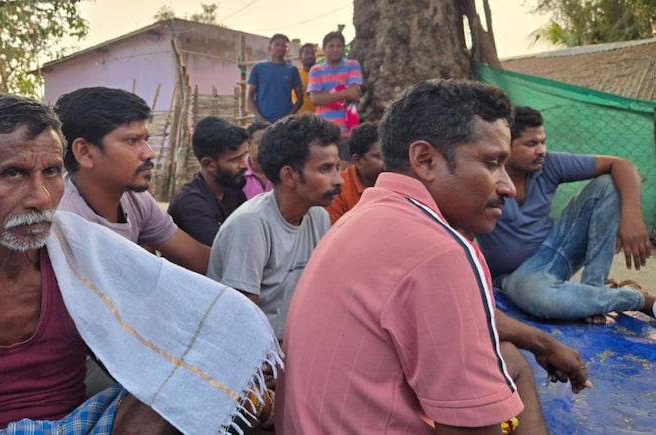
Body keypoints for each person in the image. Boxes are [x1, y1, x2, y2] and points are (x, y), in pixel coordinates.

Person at [0, 94, 280, 434]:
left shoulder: (89, 252)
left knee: (178, 392)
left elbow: (200, 316)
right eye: (14, 174)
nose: (41, 197)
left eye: (51, 172)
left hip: (83, 424)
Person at [278, 80, 590, 434]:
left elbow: (465, 317)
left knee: (508, 356)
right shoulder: (441, 252)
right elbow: (473, 430)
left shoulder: (364, 215)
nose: (507, 186)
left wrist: (542, 342)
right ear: (425, 160)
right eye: (492, 163)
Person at [476, 106, 655, 323]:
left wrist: (631, 217)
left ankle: (594, 287)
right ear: (505, 145)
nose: (541, 150)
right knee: (540, 298)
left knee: (608, 184)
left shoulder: (549, 164)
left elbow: (622, 165)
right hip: (517, 277)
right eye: (531, 144)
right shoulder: (485, 177)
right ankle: (637, 300)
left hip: (556, 252)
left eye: (543, 142)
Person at [208, 113, 342, 340]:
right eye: (325, 169)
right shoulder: (251, 224)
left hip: (293, 343)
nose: (339, 180)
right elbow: (243, 319)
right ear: (289, 175)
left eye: (337, 167)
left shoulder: (318, 216)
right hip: (258, 348)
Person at [54, 87, 210, 275]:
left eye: (146, 139)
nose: (150, 153)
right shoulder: (64, 224)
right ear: (85, 152)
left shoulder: (136, 199)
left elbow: (200, 260)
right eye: (132, 141)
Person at [167, 116, 249, 246]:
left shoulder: (231, 186)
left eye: (244, 156)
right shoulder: (190, 202)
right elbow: (221, 252)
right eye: (235, 159)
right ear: (208, 164)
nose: (244, 165)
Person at [307, 31, 363, 165]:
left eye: (339, 46)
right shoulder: (316, 70)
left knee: (346, 169)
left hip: (347, 131)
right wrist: (343, 93)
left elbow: (354, 93)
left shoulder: (352, 65)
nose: (335, 49)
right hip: (323, 131)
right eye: (331, 46)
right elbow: (315, 99)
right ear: (324, 49)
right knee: (324, 168)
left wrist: (326, 95)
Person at [326, 121, 384, 223]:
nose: (388, 161)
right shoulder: (337, 192)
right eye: (380, 156)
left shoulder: (398, 180)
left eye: (388, 155)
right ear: (358, 161)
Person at [247, 33, 303, 123]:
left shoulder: (292, 70)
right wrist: (260, 118)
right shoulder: (258, 68)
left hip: (284, 125)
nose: (280, 48)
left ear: (287, 50)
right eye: (277, 44)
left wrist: (287, 118)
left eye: (284, 46)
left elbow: (300, 99)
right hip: (261, 124)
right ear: (269, 48)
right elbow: (250, 97)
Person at [243, 121, 273, 199]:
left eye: (269, 142)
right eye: (259, 143)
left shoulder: (282, 172)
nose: (265, 146)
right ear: (248, 145)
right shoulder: (239, 173)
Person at [292, 43, 317, 114]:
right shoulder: (295, 74)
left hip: (318, 116)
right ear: (300, 57)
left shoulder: (321, 74)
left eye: (312, 53)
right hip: (299, 116)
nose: (310, 56)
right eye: (307, 53)